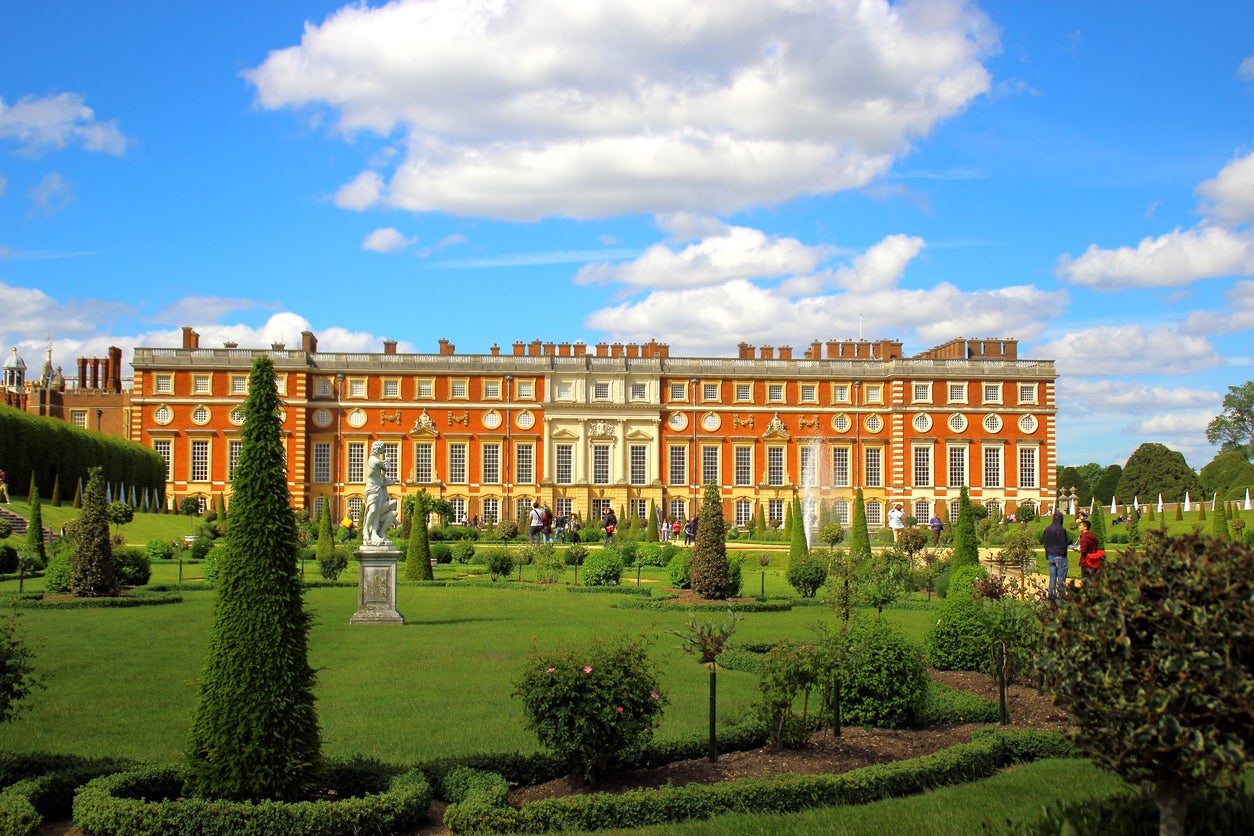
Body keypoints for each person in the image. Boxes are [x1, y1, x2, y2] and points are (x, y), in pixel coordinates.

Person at [362, 441, 398, 545]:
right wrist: (388, 463)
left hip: (378, 487)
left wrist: (389, 481)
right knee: (373, 510)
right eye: (383, 448)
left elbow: (382, 475)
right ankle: (366, 530)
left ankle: (375, 532)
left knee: (378, 510)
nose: (384, 450)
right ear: (379, 448)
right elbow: (385, 469)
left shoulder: (377, 460)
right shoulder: (374, 460)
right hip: (372, 488)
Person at [1041, 510, 1070, 600]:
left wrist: (1047, 555)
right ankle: (1061, 597)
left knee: (1052, 578)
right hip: (1060, 556)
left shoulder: (1047, 529)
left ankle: (1051, 595)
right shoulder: (1061, 530)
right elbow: (1064, 544)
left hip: (1050, 556)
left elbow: (1045, 543)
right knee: (1061, 579)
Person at [1076, 518, 1103, 584]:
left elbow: (1084, 550)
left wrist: (1078, 550)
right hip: (1093, 560)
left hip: (1086, 561)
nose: (1079, 527)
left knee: (1085, 580)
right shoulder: (1093, 536)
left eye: (1080, 525)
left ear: (1085, 527)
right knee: (1093, 580)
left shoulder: (1084, 537)